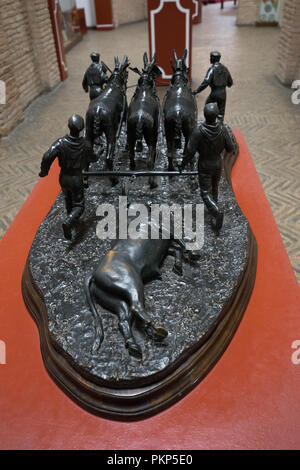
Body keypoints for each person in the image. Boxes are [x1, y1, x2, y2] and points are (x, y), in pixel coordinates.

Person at [39, 114, 95, 240]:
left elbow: (47, 156)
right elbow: (92, 158)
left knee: (67, 197)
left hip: (63, 176)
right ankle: (69, 221)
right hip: (76, 178)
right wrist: (97, 155)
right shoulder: (85, 145)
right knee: (79, 205)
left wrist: (44, 171)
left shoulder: (60, 143)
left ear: (69, 127)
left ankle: (70, 216)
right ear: (81, 129)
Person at [180, 103, 234, 232]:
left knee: (205, 192)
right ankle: (214, 208)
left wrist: (182, 165)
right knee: (214, 187)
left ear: (204, 115)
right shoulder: (223, 129)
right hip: (217, 162)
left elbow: (189, 151)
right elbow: (231, 148)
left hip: (205, 164)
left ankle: (216, 212)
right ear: (216, 115)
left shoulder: (198, 131)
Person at [193, 51, 233, 122]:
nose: (210, 59)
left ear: (213, 59)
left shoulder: (212, 69)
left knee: (207, 106)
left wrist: (197, 91)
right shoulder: (225, 69)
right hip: (223, 94)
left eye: (211, 58)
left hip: (214, 93)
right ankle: (220, 127)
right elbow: (230, 83)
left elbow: (206, 82)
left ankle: (209, 123)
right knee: (221, 113)